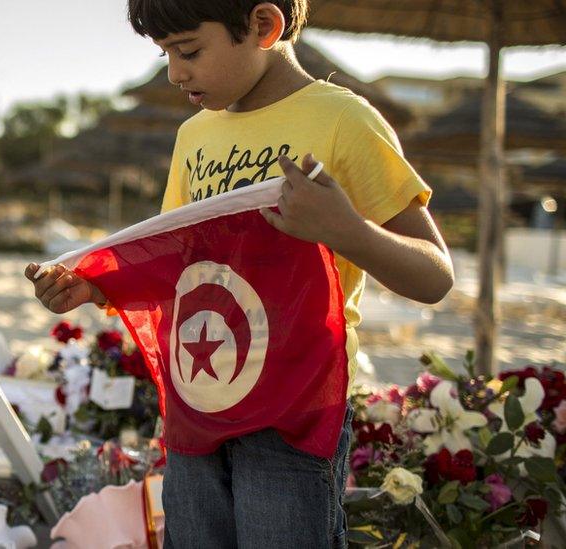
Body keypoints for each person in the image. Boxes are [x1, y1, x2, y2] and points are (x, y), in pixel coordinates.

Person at [25, 1, 455, 546]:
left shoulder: (342, 120)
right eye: (165, 54)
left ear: (262, 26)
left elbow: (435, 275)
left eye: (188, 51)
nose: (174, 72)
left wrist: (345, 228)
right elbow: (180, 264)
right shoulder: (194, 136)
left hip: (293, 411)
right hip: (198, 402)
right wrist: (93, 286)